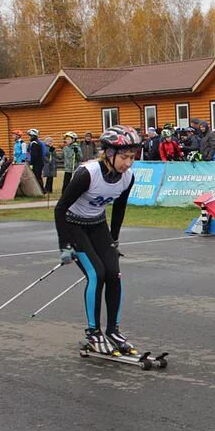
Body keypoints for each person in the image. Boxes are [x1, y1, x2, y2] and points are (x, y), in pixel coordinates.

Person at [54, 125, 140, 356]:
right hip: (74, 225)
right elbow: (60, 208)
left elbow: (119, 209)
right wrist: (65, 245)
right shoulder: (87, 174)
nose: (128, 163)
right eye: (124, 157)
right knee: (97, 274)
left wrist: (115, 240)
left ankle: (113, 330)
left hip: (97, 225)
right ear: (109, 153)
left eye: (132, 157)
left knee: (114, 273)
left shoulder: (127, 177)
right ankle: (93, 333)